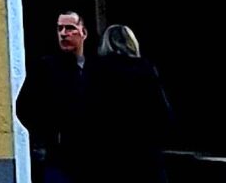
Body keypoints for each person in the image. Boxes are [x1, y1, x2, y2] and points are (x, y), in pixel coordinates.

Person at [84, 24, 173, 183]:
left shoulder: (96, 71)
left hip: (109, 157)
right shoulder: (146, 69)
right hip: (145, 155)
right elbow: (164, 115)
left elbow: (87, 114)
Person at [15, 10, 90, 183]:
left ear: (83, 33)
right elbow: (24, 106)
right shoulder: (46, 67)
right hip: (58, 158)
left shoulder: (95, 69)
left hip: (90, 157)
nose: (63, 33)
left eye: (70, 28)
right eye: (60, 28)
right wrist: (48, 134)